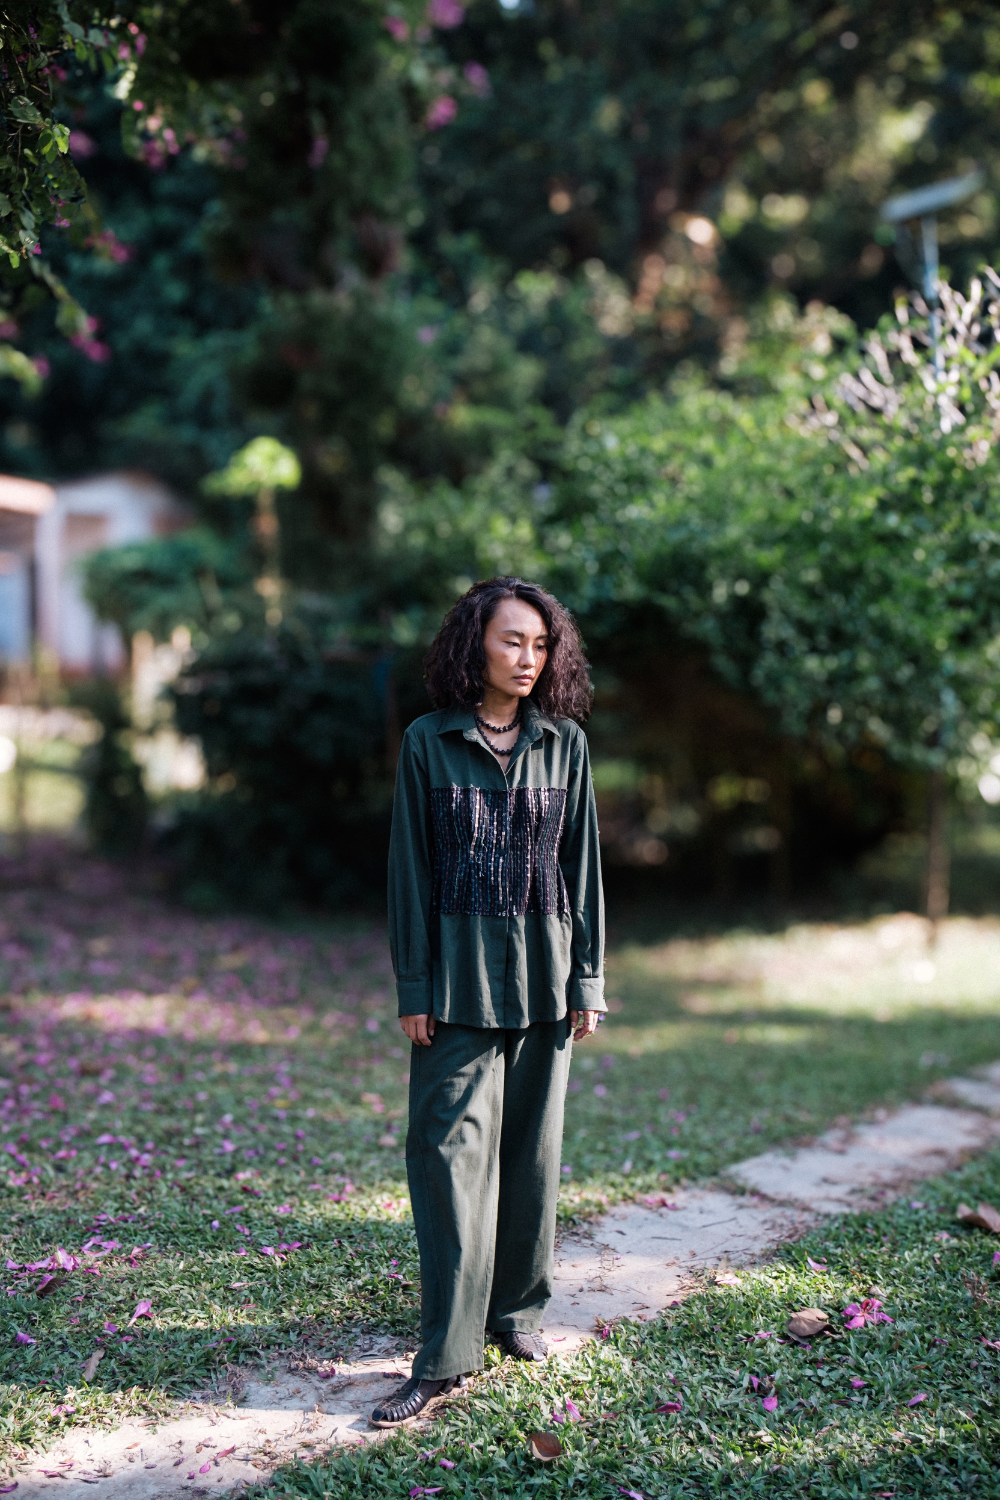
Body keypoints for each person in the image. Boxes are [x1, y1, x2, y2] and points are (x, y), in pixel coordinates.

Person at [371, 576, 605, 1428]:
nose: (527, 657)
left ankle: (515, 1315)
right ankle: (444, 1355)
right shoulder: (427, 743)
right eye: (512, 640)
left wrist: (587, 979)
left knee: (532, 1157)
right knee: (446, 1160)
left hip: (545, 980)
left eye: (541, 644)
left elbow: (582, 867)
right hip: (456, 987)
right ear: (475, 643)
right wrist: (413, 985)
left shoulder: (565, 745)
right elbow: (410, 872)